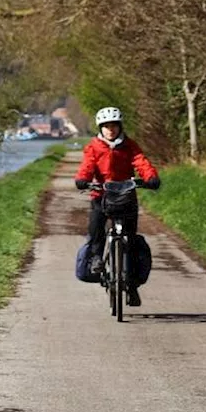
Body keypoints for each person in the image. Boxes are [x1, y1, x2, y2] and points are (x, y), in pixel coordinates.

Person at [74, 107, 160, 306]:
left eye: (114, 126)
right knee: (96, 230)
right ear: (100, 128)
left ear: (120, 127)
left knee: (129, 240)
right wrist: (83, 179)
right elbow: (87, 165)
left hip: (126, 197)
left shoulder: (129, 145)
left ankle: (131, 287)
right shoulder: (94, 147)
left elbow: (141, 161)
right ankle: (96, 258)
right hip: (101, 196)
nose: (110, 130)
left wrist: (150, 177)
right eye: (106, 126)